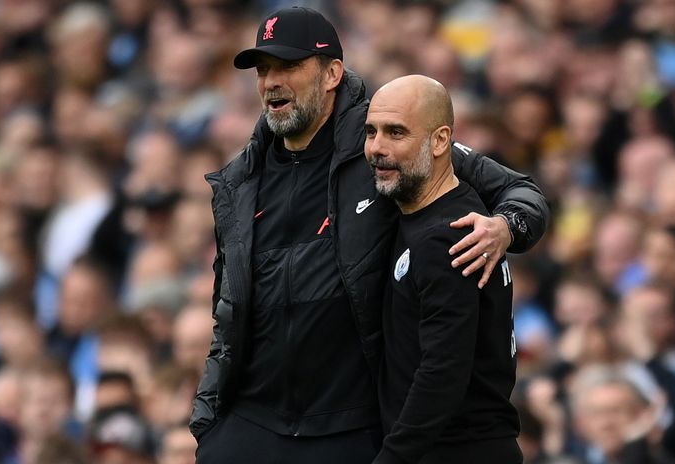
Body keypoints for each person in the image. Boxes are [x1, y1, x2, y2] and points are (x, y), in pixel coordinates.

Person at [190, 6, 549, 463]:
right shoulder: (240, 179)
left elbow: (520, 190)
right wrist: (208, 421)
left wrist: (505, 226)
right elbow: (228, 307)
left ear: (331, 74)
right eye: (263, 70)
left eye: (288, 66)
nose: (271, 82)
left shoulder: (387, 140)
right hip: (253, 419)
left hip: (350, 424)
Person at [365, 74, 521, 463]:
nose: (377, 148)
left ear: (439, 141)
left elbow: (443, 371)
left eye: (396, 132)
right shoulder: (434, 213)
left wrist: (393, 457)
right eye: (371, 132)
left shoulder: (448, 237)